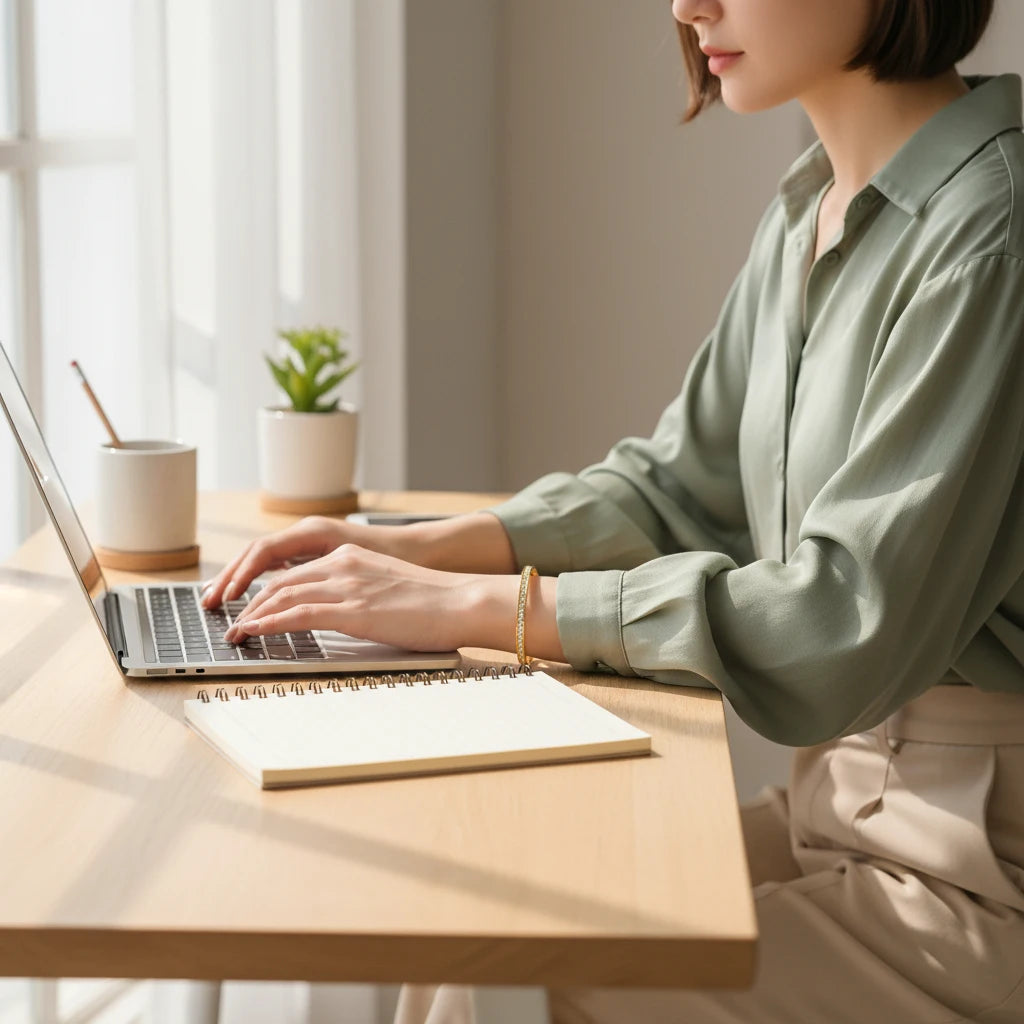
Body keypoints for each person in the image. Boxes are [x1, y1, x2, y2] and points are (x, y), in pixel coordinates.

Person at [204, 0, 1024, 1018]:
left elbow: (839, 617)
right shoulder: (813, 207)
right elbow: (679, 487)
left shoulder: (992, 231)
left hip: (978, 878)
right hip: (840, 809)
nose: (687, 7)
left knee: (517, 979)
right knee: (484, 918)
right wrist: (414, 553)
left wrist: (491, 608)